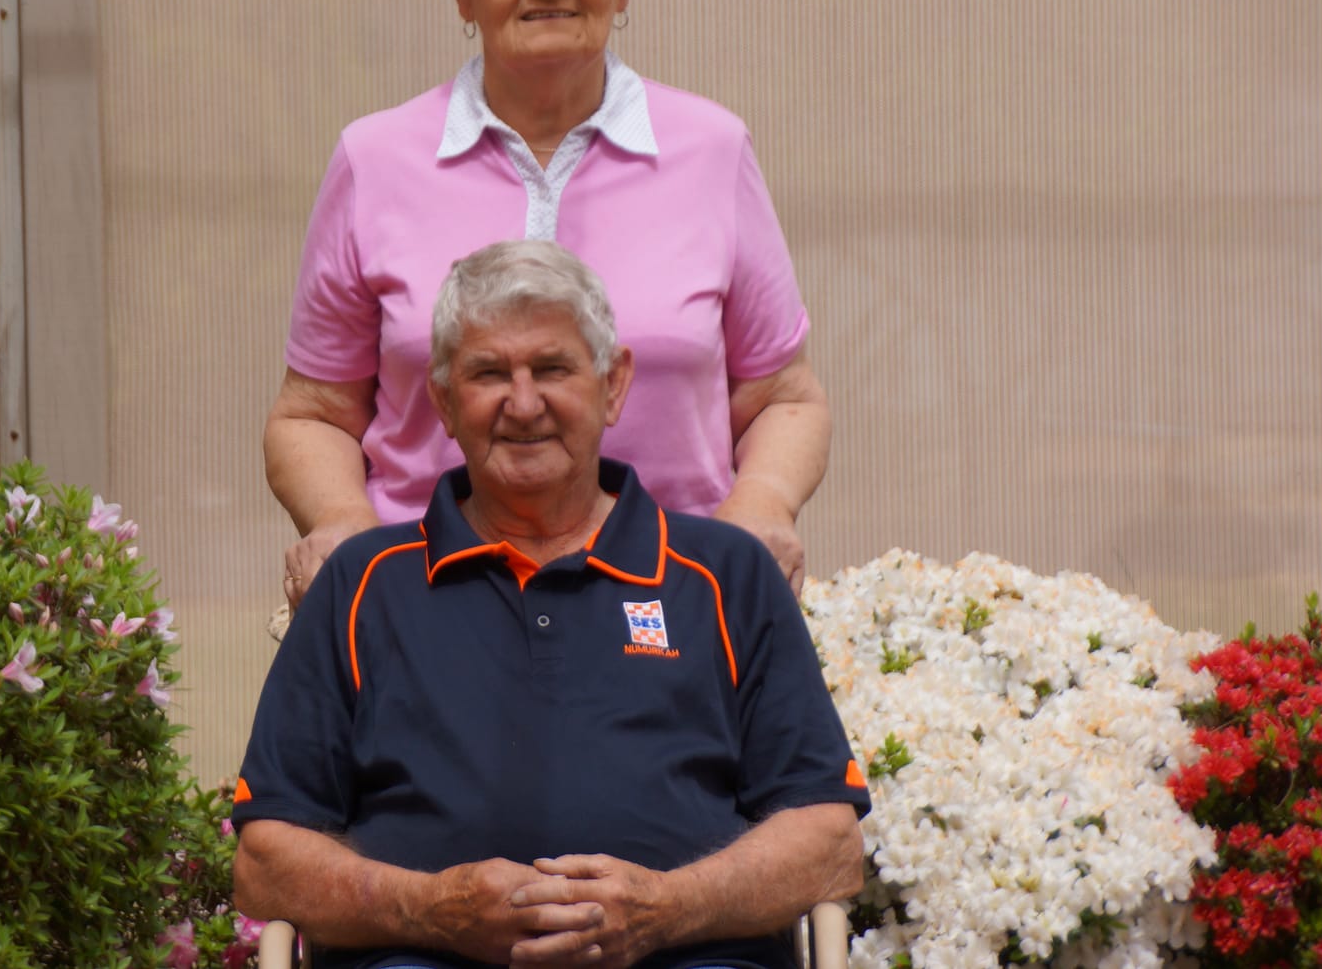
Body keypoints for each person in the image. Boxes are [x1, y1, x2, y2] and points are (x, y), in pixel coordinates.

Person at [234, 241, 868, 969]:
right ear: (442, 401)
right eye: (488, 373)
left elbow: (827, 842)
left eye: (554, 368)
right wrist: (432, 910)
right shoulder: (362, 583)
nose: (524, 402)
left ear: (614, 384)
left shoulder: (725, 574)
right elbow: (265, 860)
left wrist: (665, 908)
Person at [269, 0, 830, 609]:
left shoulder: (713, 150)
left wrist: (759, 508)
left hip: (670, 608)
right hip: (430, 606)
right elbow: (313, 415)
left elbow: (785, 398)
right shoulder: (374, 160)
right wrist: (345, 532)